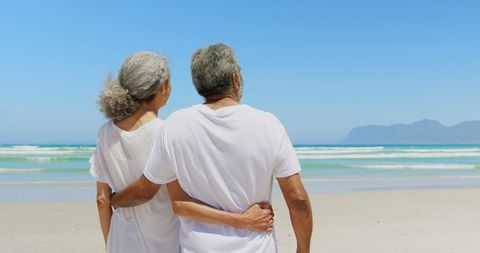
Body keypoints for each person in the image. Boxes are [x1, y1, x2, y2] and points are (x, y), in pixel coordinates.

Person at [111, 44, 312, 253]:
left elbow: (147, 190)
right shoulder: (268, 124)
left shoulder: (176, 124)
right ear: (235, 79)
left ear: (198, 85)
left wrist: (113, 199)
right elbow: (297, 199)